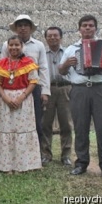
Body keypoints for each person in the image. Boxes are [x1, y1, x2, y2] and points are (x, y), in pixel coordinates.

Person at [59, 15, 102, 179]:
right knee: (80, 128)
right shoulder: (71, 49)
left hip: (101, 89)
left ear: (95, 28)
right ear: (79, 29)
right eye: (84, 25)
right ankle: (81, 164)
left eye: (91, 25)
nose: (87, 28)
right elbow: (61, 71)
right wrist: (66, 64)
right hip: (79, 90)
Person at [0, 35, 41, 173]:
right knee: (6, 129)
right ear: (7, 47)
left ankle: (22, 165)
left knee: (21, 130)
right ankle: (5, 165)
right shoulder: (1, 64)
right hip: (5, 99)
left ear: (22, 46)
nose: (14, 47)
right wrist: (5, 98)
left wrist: (21, 97)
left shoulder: (29, 62)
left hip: (23, 99)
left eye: (16, 45)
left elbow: (33, 82)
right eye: (11, 45)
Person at [1, 14, 50, 149]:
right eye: (20, 26)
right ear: (16, 28)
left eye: (26, 25)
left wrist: (45, 91)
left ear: (30, 28)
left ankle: (36, 154)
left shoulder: (39, 45)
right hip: (11, 89)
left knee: (35, 122)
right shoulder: (7, 45)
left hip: (33, 88)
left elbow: (44, 68)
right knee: (12, 121)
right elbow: (2, 66)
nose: (23, 28)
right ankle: (12, 152)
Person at [41, 27, 72, 166]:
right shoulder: (42, 53)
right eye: (50, 36)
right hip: (47, 89)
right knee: (45, 124)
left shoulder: (68, 52)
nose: (53, 38)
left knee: (66, 123)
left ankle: (66, 155)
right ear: (46, 38)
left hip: (65, 88)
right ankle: (46, 154)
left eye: (56, 35)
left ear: (61, 37)